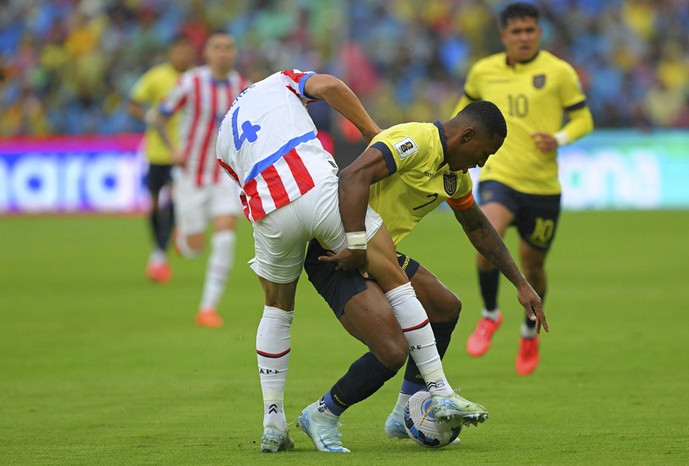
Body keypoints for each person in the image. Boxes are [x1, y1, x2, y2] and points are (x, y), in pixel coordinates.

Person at [216, 71, 503, 454]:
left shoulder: (223, 135)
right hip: (321, 198)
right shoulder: (280, 82)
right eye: (485, 153)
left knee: (277, 311)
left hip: (268, 210)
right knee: (395, 310)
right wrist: (373, 132)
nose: (481, 162)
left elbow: (237, 179)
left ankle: (274, 423)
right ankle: (431, 391)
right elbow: (332, 90)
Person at [302, 101, 548, 449]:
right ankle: (322, 413)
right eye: (484, 152)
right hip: (337, 249)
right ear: (466, 136)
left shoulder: (454, 177)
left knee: (445, 306)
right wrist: (356, 244)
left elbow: (477, 227)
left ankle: (405, 412)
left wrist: (521, 283)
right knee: (391, 350)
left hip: (379, 254)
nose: (483, 163)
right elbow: (352, 176)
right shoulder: (415, 140)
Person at [453, 2, 594, 375]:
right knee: (489, 234)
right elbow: (461, 115)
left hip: (543, 187)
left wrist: (560, 137)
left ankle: (529, 331)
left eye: (530, 30)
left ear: (539, 33)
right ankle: (489, 313)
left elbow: (584, 118)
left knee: (533, 266)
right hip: (500, 177)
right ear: (504, 36)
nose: (524, 37)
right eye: (517, 32)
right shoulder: (483, 72)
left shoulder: (559, 72)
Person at [153, 31, 249, 328]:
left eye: (228, 48)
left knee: (225, 236)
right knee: (194, 248)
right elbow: (158, 116)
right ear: (206, 53)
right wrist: (173, 151)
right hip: (191, 174)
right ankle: (182, 236)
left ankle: (207, 308)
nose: (223, 53)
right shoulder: (190, 82)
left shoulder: (242, 87)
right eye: (217, 47)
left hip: (224, 175)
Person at [128, 34, 195, 284]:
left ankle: (160, 254)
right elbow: (133, 104)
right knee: (155, 206)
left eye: (186, 51)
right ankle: (161, 246)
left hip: (183, 153)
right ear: (171, 53)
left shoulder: (196, 79)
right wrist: (147, 116)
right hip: (156, 151)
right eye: (179, 51)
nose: (183, 56)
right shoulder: (156, 77)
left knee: (176, 198)